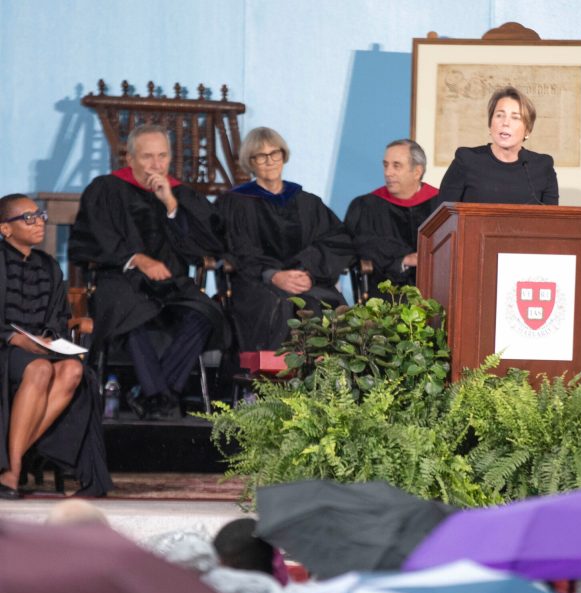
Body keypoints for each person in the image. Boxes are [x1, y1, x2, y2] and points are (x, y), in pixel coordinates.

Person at [69, 124, 227, 419]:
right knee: (130, 309)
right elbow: (91, 241)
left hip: (172, 283)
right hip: (121, 279)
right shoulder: (106, 189)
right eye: (148, 157)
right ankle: (162, 398)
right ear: (129, 159)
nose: (157, 165)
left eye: (163, 156)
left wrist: (170, 205)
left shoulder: (180, 194)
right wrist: (137, 259)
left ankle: (151, 394)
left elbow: (206, 245)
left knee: (204, 312)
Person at [0, 194, 112, 499]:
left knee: (74, 370)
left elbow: (57, 318)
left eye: (39, 216)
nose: (38, 223)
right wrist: (13, 338)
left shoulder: (48, 266)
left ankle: (11, 459)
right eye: (28, 218)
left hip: (37, 348)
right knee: (37, 370)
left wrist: (51, 339)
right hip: (5, 348)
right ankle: (13, 471)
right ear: (5, 229)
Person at [217, 127, 355, 351]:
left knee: (327, 303)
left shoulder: (307, 202)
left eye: (275, 153)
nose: (270, 161)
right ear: (250, 162)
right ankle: (274, 382)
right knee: (281, 304)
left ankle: (328, 380)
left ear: (284, 155)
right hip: (258, 283)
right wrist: (273, 275)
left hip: (307, 280)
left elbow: (336, 241)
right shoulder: (236, 204)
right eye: (261, 156)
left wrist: (307, 271)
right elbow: (238, 248)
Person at [345, 139, 440, 298]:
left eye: (396, 166)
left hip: (435, 289)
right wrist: (402, 259)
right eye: (385, 165)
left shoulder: (440, 205)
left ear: (417, 171)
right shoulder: (367, 206)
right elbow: (358, 245)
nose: (388, 172)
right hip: (386, 290)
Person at [438, 86, 558, 205]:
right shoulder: (467, 160)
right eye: (499, 115)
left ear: (527, 130)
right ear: (490, 124)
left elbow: (553, 221)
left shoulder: (542, 166)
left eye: (515, 117)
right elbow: (441, 216)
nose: (505, 123)